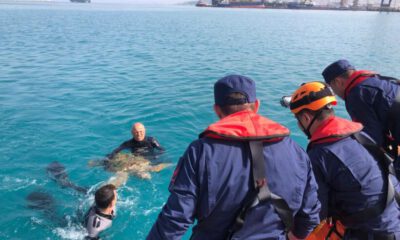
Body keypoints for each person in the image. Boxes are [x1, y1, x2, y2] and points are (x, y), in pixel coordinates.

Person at [147, 75, 320, 240]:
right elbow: (310, 214)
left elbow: (175, 219)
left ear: (217, 110)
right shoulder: (296, 151)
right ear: (257, 105)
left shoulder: (199, 151)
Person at [284, 81, 400, 239]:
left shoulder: (319, 156)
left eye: (298, 120)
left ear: (305, 118)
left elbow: (314, 213)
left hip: (370, 233)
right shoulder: (360, 135)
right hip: (394, 216)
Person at [321, 60, 400, 177]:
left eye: (332, 88)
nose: (336, 94)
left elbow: (371, 139)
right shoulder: (379, 80)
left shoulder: (357, 94)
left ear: (337, 82)